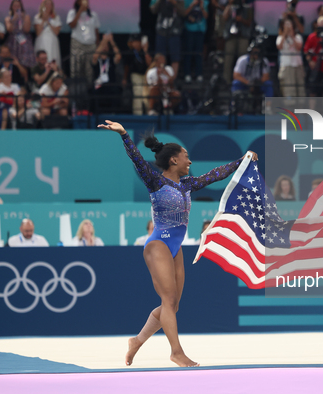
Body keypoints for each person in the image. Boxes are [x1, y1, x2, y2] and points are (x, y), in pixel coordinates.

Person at [97, 119, 257, 367]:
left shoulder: (187, 185)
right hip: (158, 244)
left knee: (173, 304)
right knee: (168, 300)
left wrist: (242, 160)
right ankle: (176, 352)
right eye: (186, 156)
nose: (190, 161)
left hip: (175, 247)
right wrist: (124, 135)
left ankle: (137, 341)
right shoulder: (155, 181)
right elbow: (137, 160)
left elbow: (215, 175)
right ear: (173, 160)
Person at [67, 0, 101, 87]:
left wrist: (97, 46)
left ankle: (88, 91)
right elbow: (72, 25)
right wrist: (80, 11)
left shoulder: (93, 15)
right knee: (76, 69)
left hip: (90, 45)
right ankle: (75, 90)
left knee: (89, 70)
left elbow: (96, 31)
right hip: (78, 44)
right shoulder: (72, 12)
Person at [151, 0, 185, 79]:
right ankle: (159, 79)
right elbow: (153, 10)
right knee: (160, 56)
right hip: (161, 31)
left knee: (175, 57)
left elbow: (183, 13)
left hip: (174, 32)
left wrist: (174, 3)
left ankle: (172, 81)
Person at [222, 0, 253, 83]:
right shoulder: (230, 6)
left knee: (243, 59)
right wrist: (230, 4)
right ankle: (226, 81)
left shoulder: (248, 7)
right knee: (228, 58)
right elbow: (224, 17)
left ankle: (243, 81)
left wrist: (241, 20)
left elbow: (250, 22)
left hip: (243, 36)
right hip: (231, 36)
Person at [124, 34, 152, 115]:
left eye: (137, 42)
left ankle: (149, 112)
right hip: (135, 75)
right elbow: (126, 66)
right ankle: (137, 114)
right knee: (138, 93)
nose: (135, 44)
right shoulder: (130, 52)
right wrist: (124, 78)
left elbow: (150, 64)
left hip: (146, 75)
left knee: (147, 94)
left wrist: (145, 50)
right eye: (133, 42)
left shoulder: (146, 50)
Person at [276, 19, 305, 98]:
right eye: (286, 24)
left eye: (290, 24)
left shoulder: (298, 37)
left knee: (300, 87)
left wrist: (292, 35)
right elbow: (279, 46)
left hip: (297, 65)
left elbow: (299, 47)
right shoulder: (280, 37)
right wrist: (285, 34)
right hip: (287, 65)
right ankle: (290, 107)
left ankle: (300, 107)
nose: (288, 26)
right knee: (289, 89)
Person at [183, 0, 209, 83]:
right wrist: (192, 4)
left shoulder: (205, 2)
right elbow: (184, 13)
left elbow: (206, 16)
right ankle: (187, 73)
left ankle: (199, 74)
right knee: (188, 52)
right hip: (189, 29)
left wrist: (201, 7)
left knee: (199, 53)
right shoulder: (186, 1)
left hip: (200, 30)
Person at [5, 0, 35, 69]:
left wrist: (22, 19)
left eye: (18, 6)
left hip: (24, 43)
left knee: (24, 62)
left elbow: (26, 30)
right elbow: (9, 30)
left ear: (21, 7)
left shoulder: (26, 17)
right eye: (15, 6)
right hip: (12, 42)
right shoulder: (8, 18)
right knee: (12, 61)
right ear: (12, 7)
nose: (16, 8)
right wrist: (14, 20)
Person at [34, 0, 62, 68]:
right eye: (46, 4)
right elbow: (38, 32)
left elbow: (56, 32)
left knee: (52, 58)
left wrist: (48, 21)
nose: (48, 6)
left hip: (52, 42)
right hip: (42, 42)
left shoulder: (56, 18)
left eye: (50, 4)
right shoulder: (37, 17)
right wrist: (43, 19)